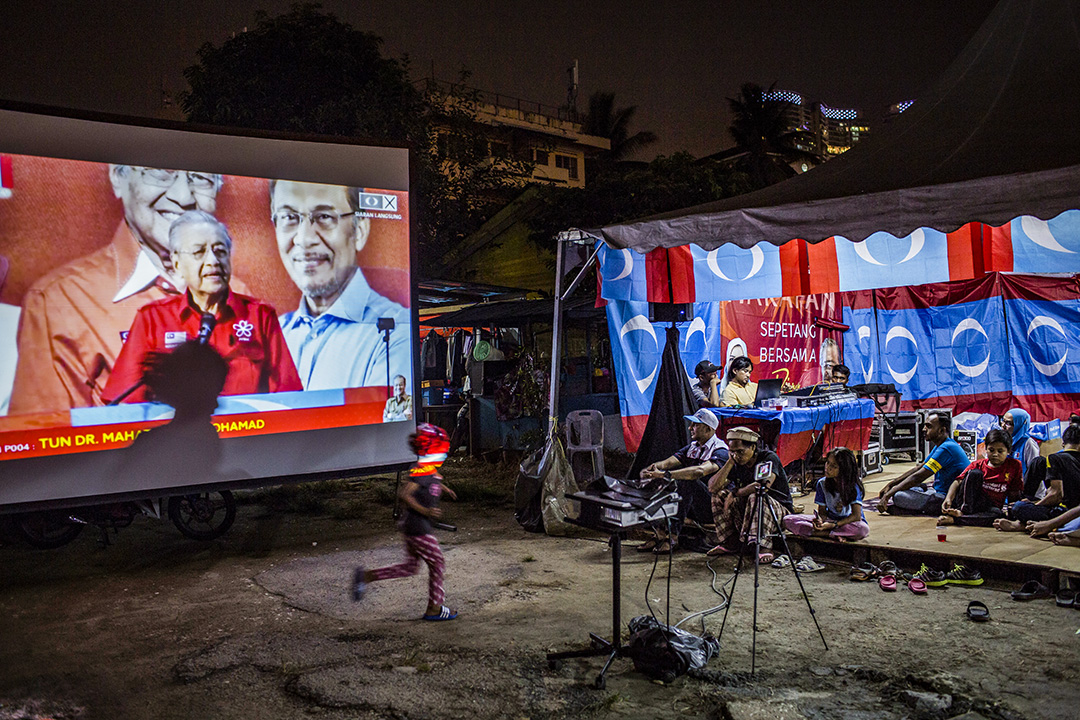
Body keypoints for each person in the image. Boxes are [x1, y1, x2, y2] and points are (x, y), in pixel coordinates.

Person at [10, 165, 225, 415]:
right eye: (160, 172)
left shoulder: (244, 298)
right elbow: (44, 440)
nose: (183, 196)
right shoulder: (60, 301)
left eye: (200, 177)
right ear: (117, 177)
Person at [103, 211, 301, 403]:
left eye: (220, 251)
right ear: (177, 263)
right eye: (199, 252)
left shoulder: (259, 317)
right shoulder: (153, 319)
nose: (213, 261)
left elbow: (288, 399)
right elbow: (123, 403)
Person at [270, 180, 410, 391]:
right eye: (289, 217)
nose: (304, 239)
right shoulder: (271, 334)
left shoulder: (396, 333)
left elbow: (385, 421)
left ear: (360, 231)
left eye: (324, 216)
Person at [352, 423, 458, 621]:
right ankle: (434, 608)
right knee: (438, 562)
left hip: (411, 527)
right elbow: (405, 495)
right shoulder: (421, 471)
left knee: (410, 567)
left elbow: (431, 480)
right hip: (418, 528)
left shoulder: (427, 469)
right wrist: (426, 510)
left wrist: (444, 488)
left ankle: (366, 576)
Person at [636, 408, 729, 554]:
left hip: (712, 506)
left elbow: (699, 471)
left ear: (708, 429)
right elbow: (667, 463)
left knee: (688, 481)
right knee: (663, 483)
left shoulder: (720, 450)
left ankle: (672, 536)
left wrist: (664, 474)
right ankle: (659, 533)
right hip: (690, 504)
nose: (690, 428)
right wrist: (651, 469)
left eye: (695, 425)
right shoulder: (693, 447)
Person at [707, 426, 795, 561]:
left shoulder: (768, 458)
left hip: (776, 512)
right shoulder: (735, 462)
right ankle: (730, 542)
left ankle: (764, 546)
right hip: (748, 510)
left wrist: (736, 493)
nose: (737, 456)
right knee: (719, 495)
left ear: (753, 448)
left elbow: (762, 486)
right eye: (733, 452)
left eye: (740, 452)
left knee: (757, 496)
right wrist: (729, 462)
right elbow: (713, 487)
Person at [875, 412, 968, 516]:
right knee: (906, 487)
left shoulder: (946, 448)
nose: (924, 429)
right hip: (938, 492)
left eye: (929, 426)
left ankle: (915, 509)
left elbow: (919, 476)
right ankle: (913, 508)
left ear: (942, 430)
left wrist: (888, 495)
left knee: (898, 496)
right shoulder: (942, 445)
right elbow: (919, 468)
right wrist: (891, 484)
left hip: (947, 498)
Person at [995, 423, 1080, 531]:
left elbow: (1057, 495)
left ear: (1063, 443)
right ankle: (1026, 521)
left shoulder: (1055, 458)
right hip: (1074, 511)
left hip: (1065, 512)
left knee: (1018, 507)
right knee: (1038, 462)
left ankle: (1023, 524)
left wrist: (1036, 505)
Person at [938, 429, 1022, 527]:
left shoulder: (1014, 465)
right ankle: (964, 512)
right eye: (991, 450)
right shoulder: (978, 464)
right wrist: (948, 499)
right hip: (970, 503)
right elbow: (957, 482)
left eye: (1000, 451)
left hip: (990, 507)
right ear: (986, 449)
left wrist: (1012, 514)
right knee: (974, 473)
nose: (995, 454)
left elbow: (1014, 491)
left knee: (997, 516)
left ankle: (957, 519)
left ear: (1008, 451)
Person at [782, 447, 869, 542]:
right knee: (788, 520)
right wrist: (821, 522)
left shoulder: (853, 485)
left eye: (834, 466)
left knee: (862, 530)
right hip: (829, 520)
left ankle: (825, 533)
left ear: (844, 469)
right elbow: (822, 512)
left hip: (848, 522)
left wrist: (834, 525)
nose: (828, 468)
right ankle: (834, 534)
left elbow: (856, 516)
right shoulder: (822, 483)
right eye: (827, 463)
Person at [1000, 408, 1041, 481]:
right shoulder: (1003, 440)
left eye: (1008, 423)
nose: (1003, 425)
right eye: (1003, 421)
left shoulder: (1028, 443)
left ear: (1019, 425)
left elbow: (1034, 471)